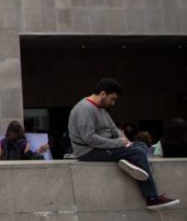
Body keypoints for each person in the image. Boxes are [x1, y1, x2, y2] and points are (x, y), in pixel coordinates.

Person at [68, 78, 179, 210]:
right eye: (112, 98)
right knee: (137, 153)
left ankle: (129, 161)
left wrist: (127, 143)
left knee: (141, 145)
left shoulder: (102, 109)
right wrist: (118, 143)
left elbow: (114, 129)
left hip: (105, 146)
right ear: (103, 94)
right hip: (89, 151)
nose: (113, 103)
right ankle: (152, 198)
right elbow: (89, 138)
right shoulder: (85, 109)